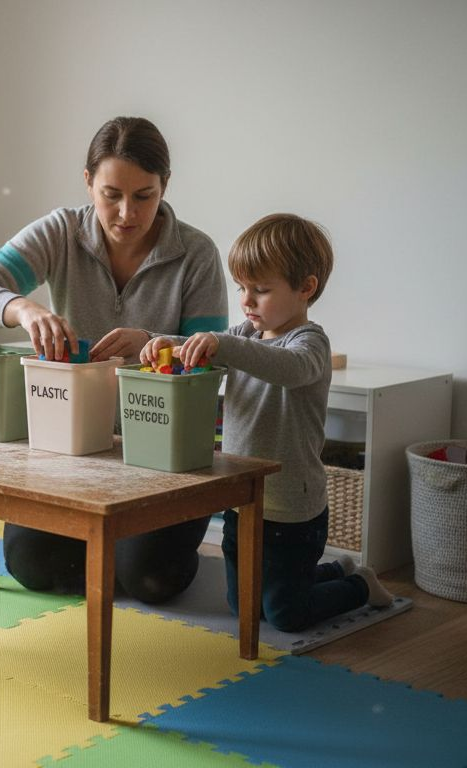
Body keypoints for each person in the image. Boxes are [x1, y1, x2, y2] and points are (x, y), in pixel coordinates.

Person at [0, 116, 227, 604]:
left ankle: (121, 552)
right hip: (76, 449)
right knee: (29, 565)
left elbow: (213, 362)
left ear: (165, 186)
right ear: (87, 182)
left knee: (152, 581)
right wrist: (23, 307)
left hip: (164, 454)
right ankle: (110, 548)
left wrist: (151, 342)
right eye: (110, 193)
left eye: (144, 195)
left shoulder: (195, 253)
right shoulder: (62, 232)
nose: (126, 213)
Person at [140, 213, 393, 632]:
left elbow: (287, 368)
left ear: (305, 288)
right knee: (245, 606)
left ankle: (360, 586)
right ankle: (332, 572)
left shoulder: (309, 343)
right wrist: (173, 343)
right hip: (244, 501)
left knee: (286, 614)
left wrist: (224, 344)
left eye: (260, 290)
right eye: (242, 288)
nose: (246, 300)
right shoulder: (246, 334)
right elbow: (221, 346)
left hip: (293, 509)